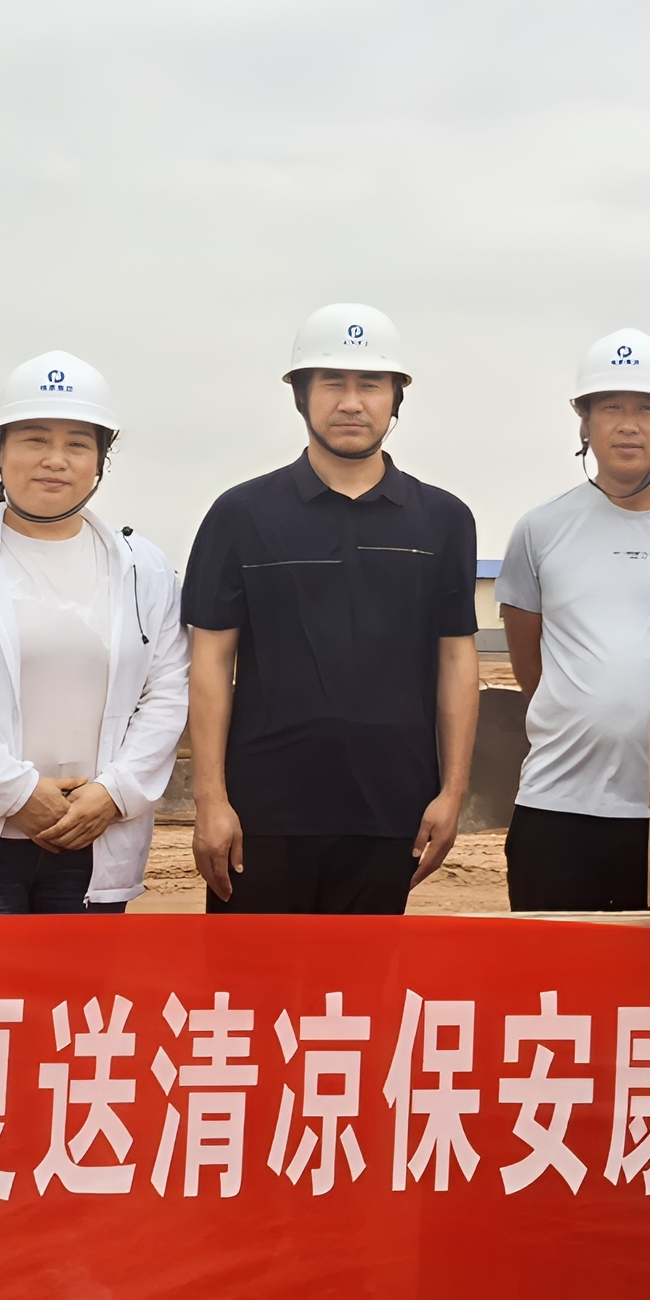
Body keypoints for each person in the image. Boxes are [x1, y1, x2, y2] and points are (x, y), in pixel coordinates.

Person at [182, 301, 483, 916]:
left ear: (396, 398)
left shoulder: (443, 520)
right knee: (252, 1002)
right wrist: (210, 799)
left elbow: (457, 659)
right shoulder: (242, 515)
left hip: (390, 810)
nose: (352, 402)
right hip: (262, 815)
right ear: (300, 396)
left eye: (371, 385)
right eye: (333, 384)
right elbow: (210, 661)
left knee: (361, 1004)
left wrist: (452, 793)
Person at [0, 350, 189, 916]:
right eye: (33, 439)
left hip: (93, 842)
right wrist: (17, 793)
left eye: (78, 443)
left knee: (79, 1004)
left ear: (100, 460)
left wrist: (114, 793)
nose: (55, 460)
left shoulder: (143, 567)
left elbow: (168, 692)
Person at [496, 329, 650, 913]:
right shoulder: (540, 529)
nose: (628, 424)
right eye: (610, 407)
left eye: (647, 407)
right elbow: (531, 666)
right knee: (553, 987)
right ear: (584, 421)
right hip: (554, 806)